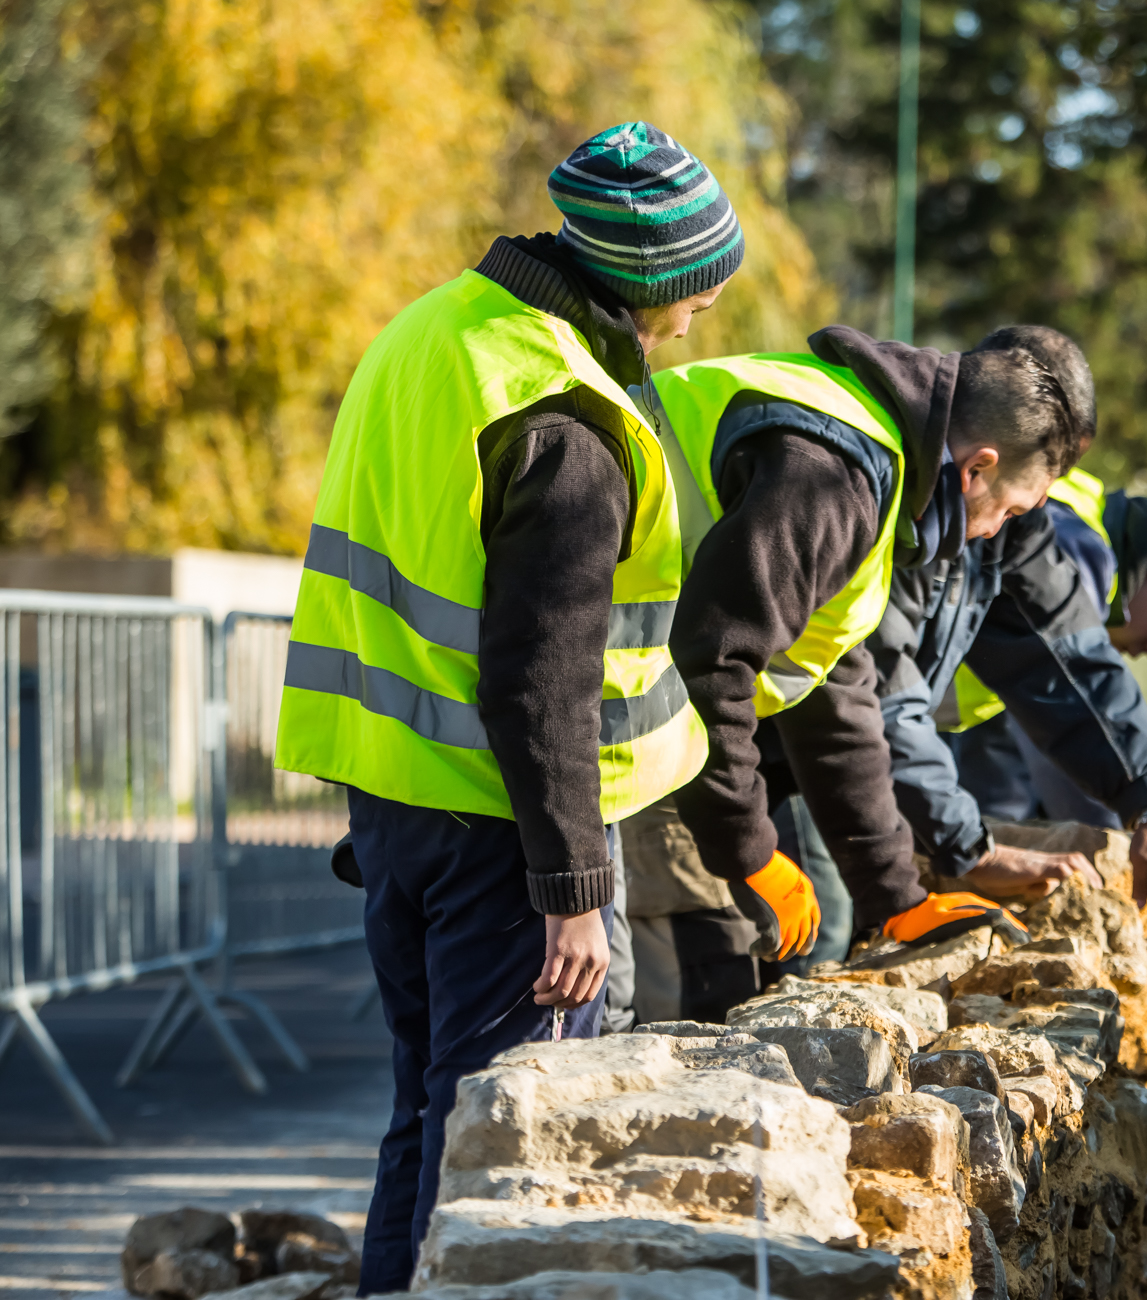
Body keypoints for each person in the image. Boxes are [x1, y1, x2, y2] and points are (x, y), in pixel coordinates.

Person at [273, 122, 742, 1294]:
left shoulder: (431, 329)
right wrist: (574, 891)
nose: (700, 320)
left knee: (430, 1118)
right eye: (697, 292)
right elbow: (541, 678)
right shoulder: (564, 416)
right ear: (650, 278)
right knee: (502, 1147)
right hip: (502, 833)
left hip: (397, 807)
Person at [632, 325, 1086, 1012]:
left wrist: (896, 895)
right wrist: (748, 849)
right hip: (569, 721)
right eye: (1010, 510)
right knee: (627, 1007)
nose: (997, 531)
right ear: (978, 468)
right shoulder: (830, 478)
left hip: (622, 725)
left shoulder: (878, 476)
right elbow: (714, 665)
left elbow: (835, 695)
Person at [868, 328, 1147, 961]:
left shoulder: (1011, 519)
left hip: (843, 759)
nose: (1050, 492)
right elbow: (884, 694)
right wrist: (972, 848)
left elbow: (1071, 663)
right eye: (1051, 462)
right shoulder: (905, 494)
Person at [946, 466, 1147, 831]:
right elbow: (1070, 723)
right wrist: (1132, 829)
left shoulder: (1077, 502)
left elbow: (994, 747)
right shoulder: (1078, 562)